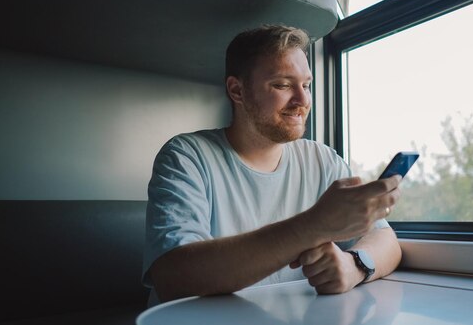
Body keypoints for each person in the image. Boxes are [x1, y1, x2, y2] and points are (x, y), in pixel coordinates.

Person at [142, 25, 402, 305]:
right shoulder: (186, 156)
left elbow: (385, 239)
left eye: (306, 85)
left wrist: (354, 266)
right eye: (283, 85)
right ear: (237, 90)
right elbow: (173, 277)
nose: (303, 101)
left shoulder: (322, 159)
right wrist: (313, 225)